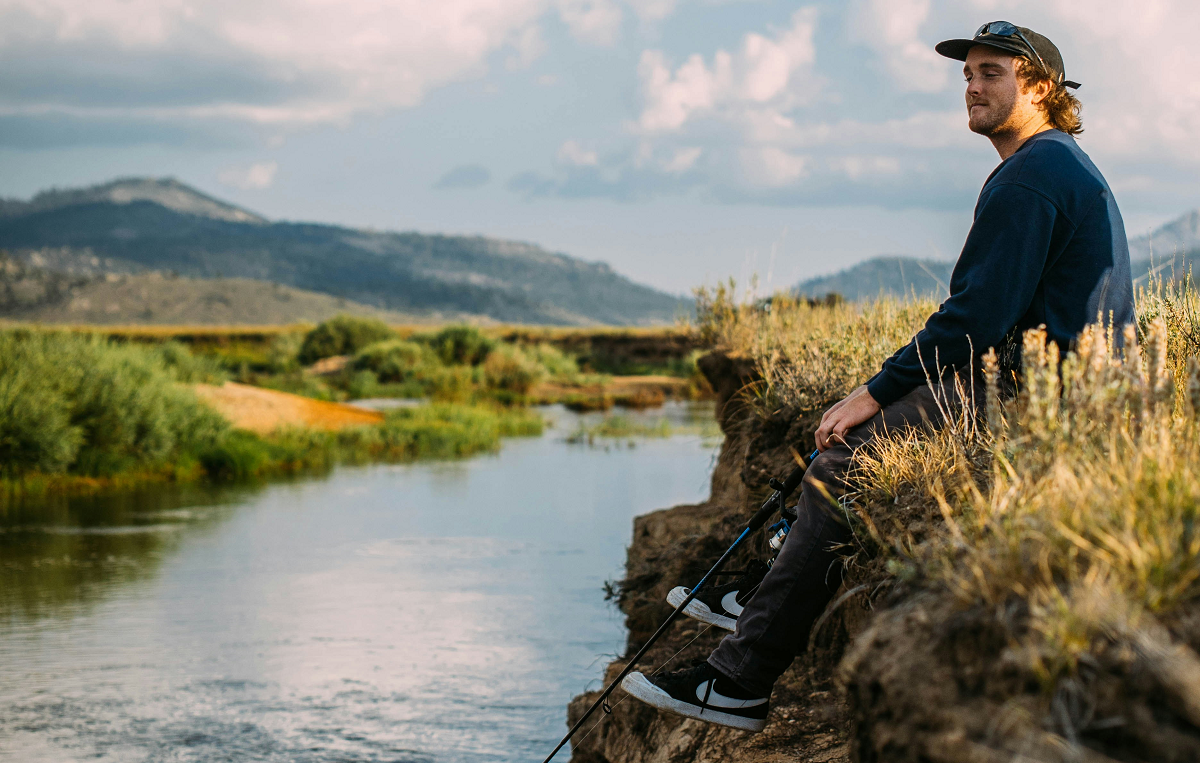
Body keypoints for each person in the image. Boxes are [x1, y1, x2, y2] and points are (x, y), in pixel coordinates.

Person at [620, 22, 1135, 732]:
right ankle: (767, 589)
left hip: (1038, 395)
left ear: (1041, 87)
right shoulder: (1053, 163)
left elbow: (974, 320)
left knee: (842, 461)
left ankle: (737, 681)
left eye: (992, 73)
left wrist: (874, 391)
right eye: (968, 75)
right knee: (853, 433)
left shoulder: (1036, 173)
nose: (973, 88)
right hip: (1042, 382)